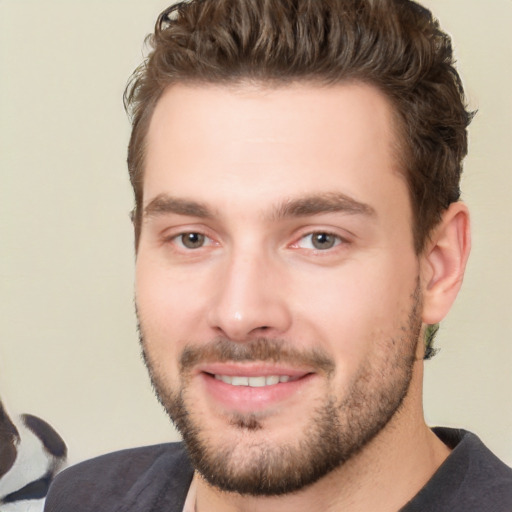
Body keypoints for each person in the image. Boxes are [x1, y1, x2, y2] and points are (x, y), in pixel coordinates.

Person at [44, 0, 512, 510]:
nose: (240, 314)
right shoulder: (84, 498)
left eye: (320, 239)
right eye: (192, 238)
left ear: (438, 266)